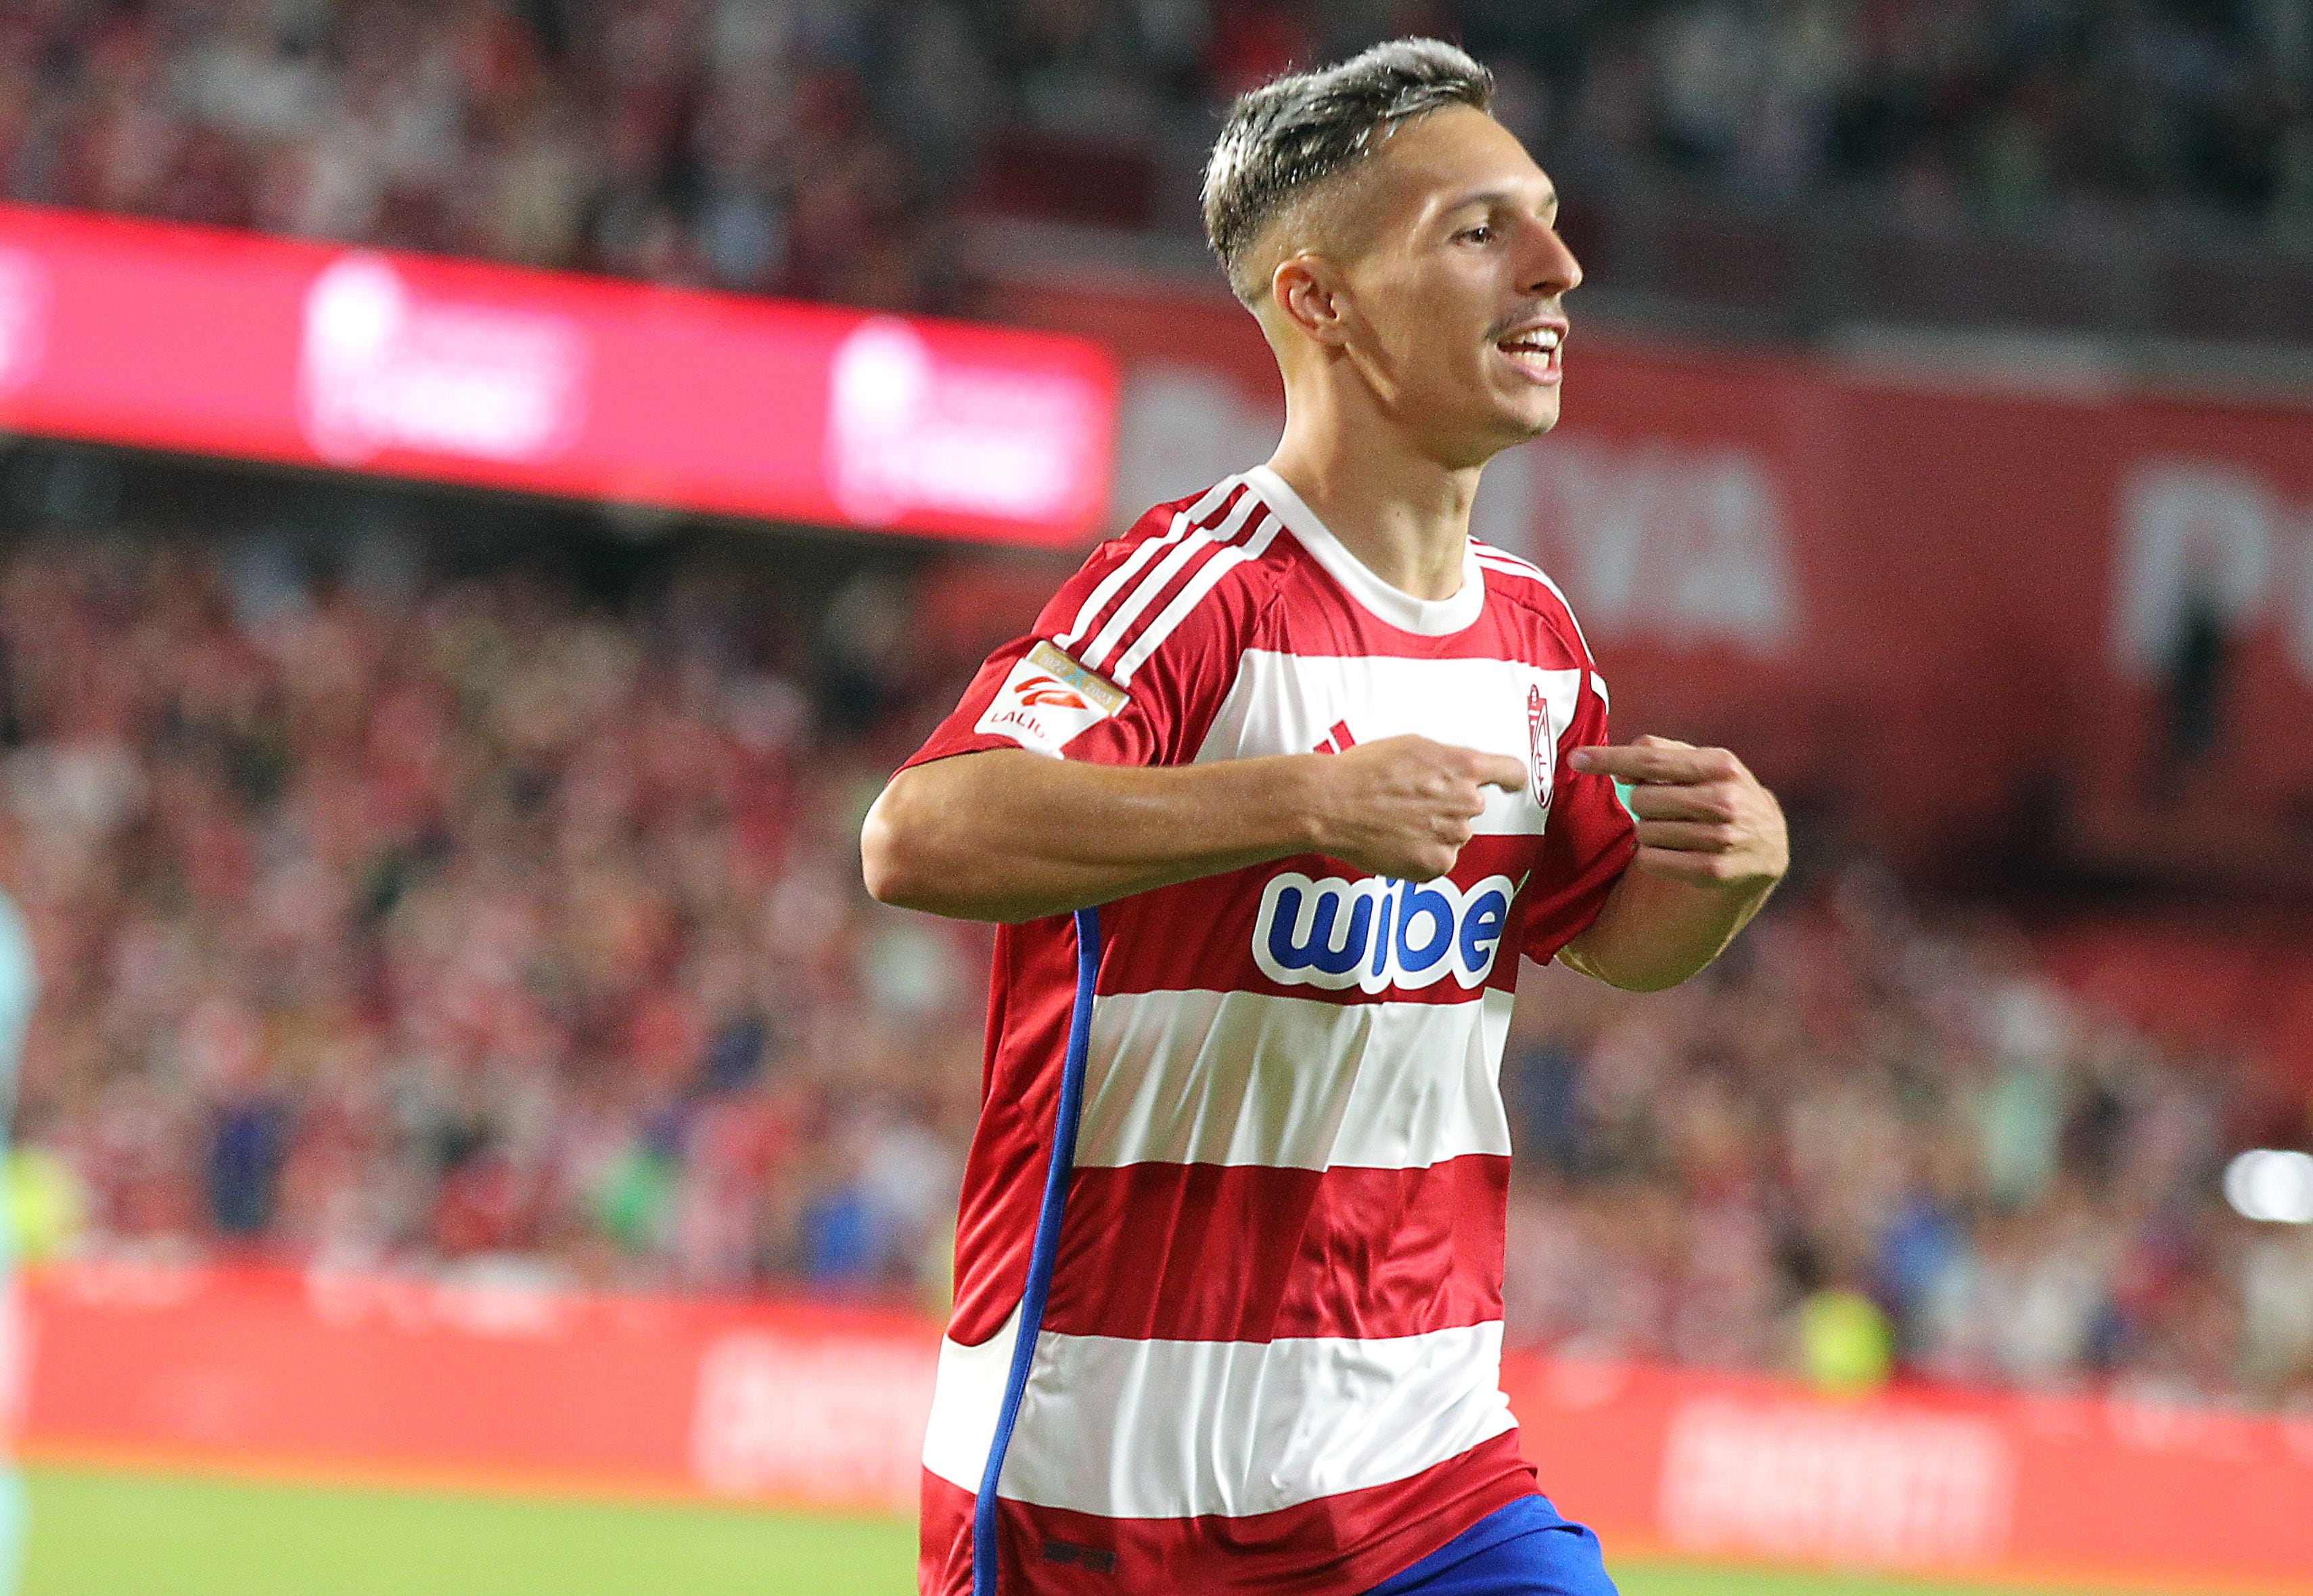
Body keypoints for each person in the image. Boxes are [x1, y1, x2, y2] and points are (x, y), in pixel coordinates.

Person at [862, 39, 1787, 1596]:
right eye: (1480, 232)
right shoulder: (1197, 588)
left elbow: (1609, 943)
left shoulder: (1536, 638)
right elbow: (920, 834)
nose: (1560, 270)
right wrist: (1302, 799)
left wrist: (1730, 879)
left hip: (1425, 1468)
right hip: (1108, 1487)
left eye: (1547, 219)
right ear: (1321, 302)